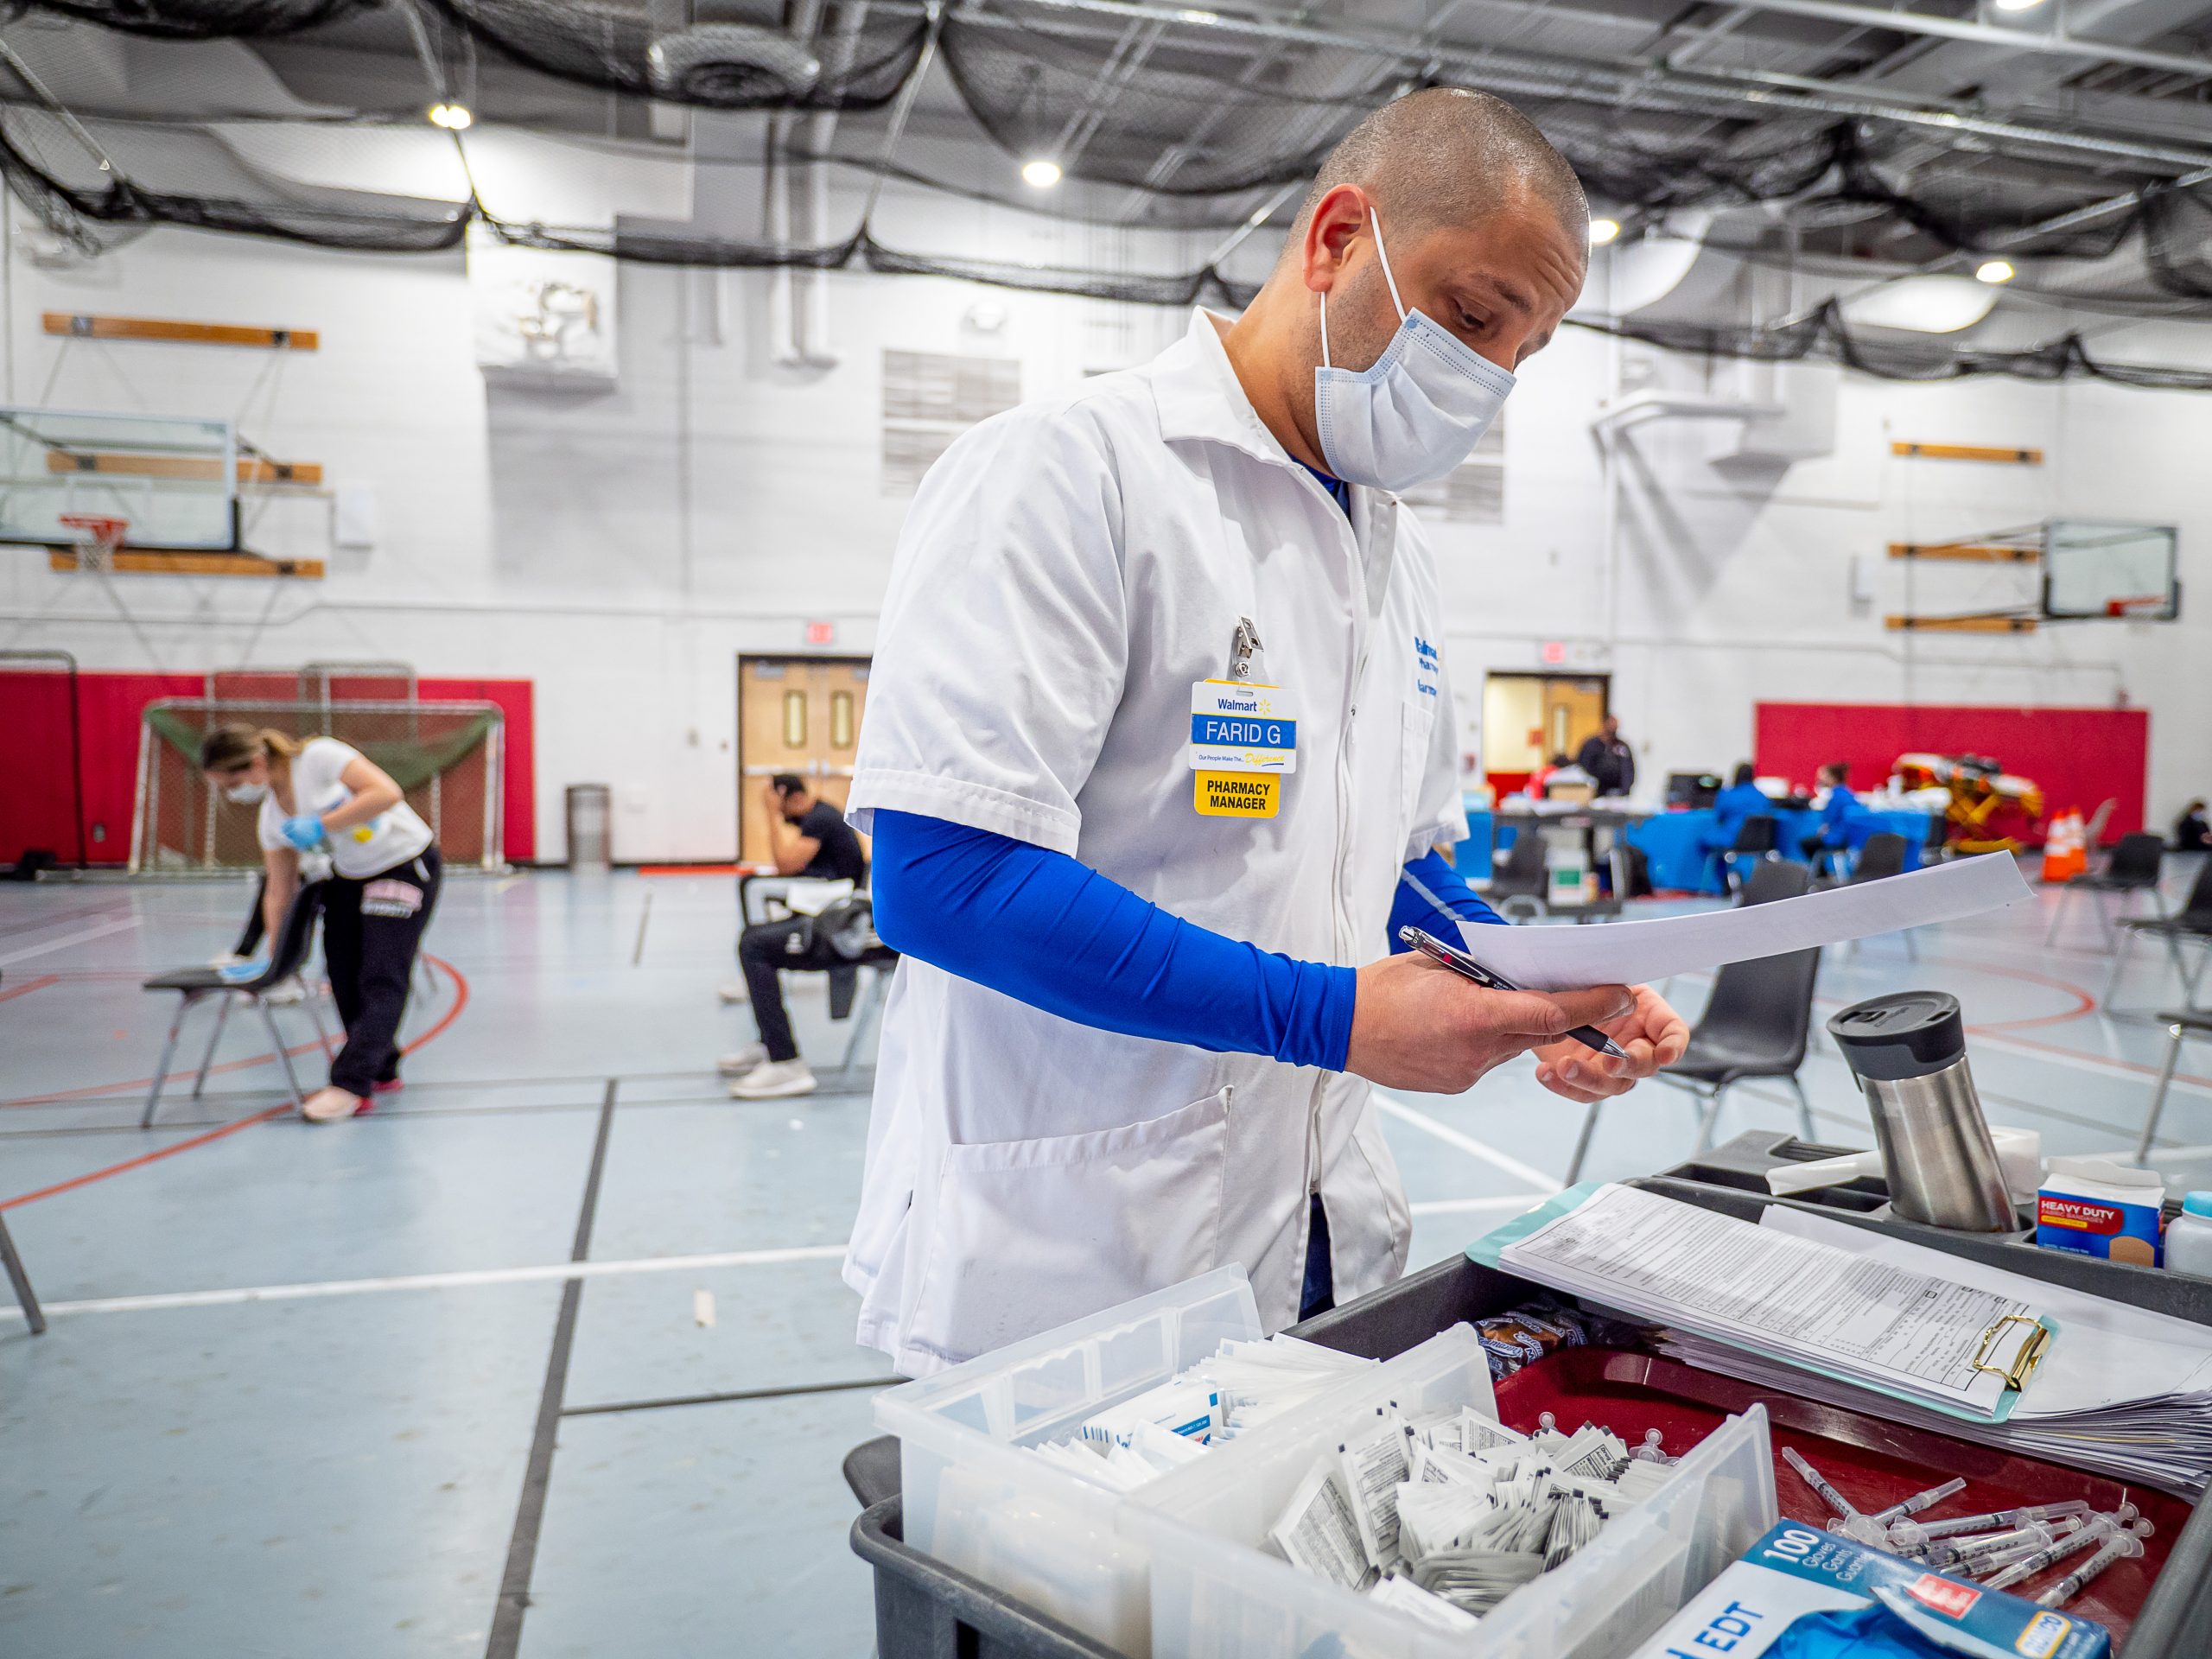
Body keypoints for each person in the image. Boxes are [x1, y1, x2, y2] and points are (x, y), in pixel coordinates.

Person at [838, 89, 1688, 1377]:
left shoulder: (1396, 564)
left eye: (1524, 351)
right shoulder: (1071, 474)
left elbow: (1396, 872)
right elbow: (947, 880)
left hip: (1315, 1238)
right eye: (1471, 317)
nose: (1490, 379)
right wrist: (1336, 1020)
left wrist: (1541, 995)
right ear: (1339, 238)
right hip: (1078, 1252)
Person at [200, 726, 439, 1122]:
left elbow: (386, 793)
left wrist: (323, 824)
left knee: (382, 974)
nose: (233, 794)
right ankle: (381, 1065)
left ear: (256, 763)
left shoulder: (318, 757)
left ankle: (350, 1084)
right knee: (342, 973)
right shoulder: (272, 819)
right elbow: (279, 891)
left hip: (403, 864)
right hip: (349, 874)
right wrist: (275, 961)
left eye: (233, 783)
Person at [721, 775, 869, 1100]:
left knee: (754, 936)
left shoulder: (820, 817)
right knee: (753, 917)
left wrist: (772, 815)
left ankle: (785, 1061)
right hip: (827, 894)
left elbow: (786, 864)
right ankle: (768, 1043)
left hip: (840, 903)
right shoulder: (815, 816)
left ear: (790, 796)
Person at [1799, 762, 1863, 862]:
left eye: (1824, 775)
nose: (1820, 779)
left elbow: (1828, 819)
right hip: (1849, 837)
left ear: (1832, 777)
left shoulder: (1835, 797)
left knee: (1806, 843)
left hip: (1838, 838)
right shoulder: (1848, 794)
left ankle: (1821, 874)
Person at [1574, 715, 1635, 798]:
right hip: (1596, 793)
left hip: (1618, 794)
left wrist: (1625, 790)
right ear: (1604, 725)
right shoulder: (1591, 745)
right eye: (1611, 728)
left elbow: (1628, 769)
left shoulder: (1621, 746)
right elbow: (1583, 767)